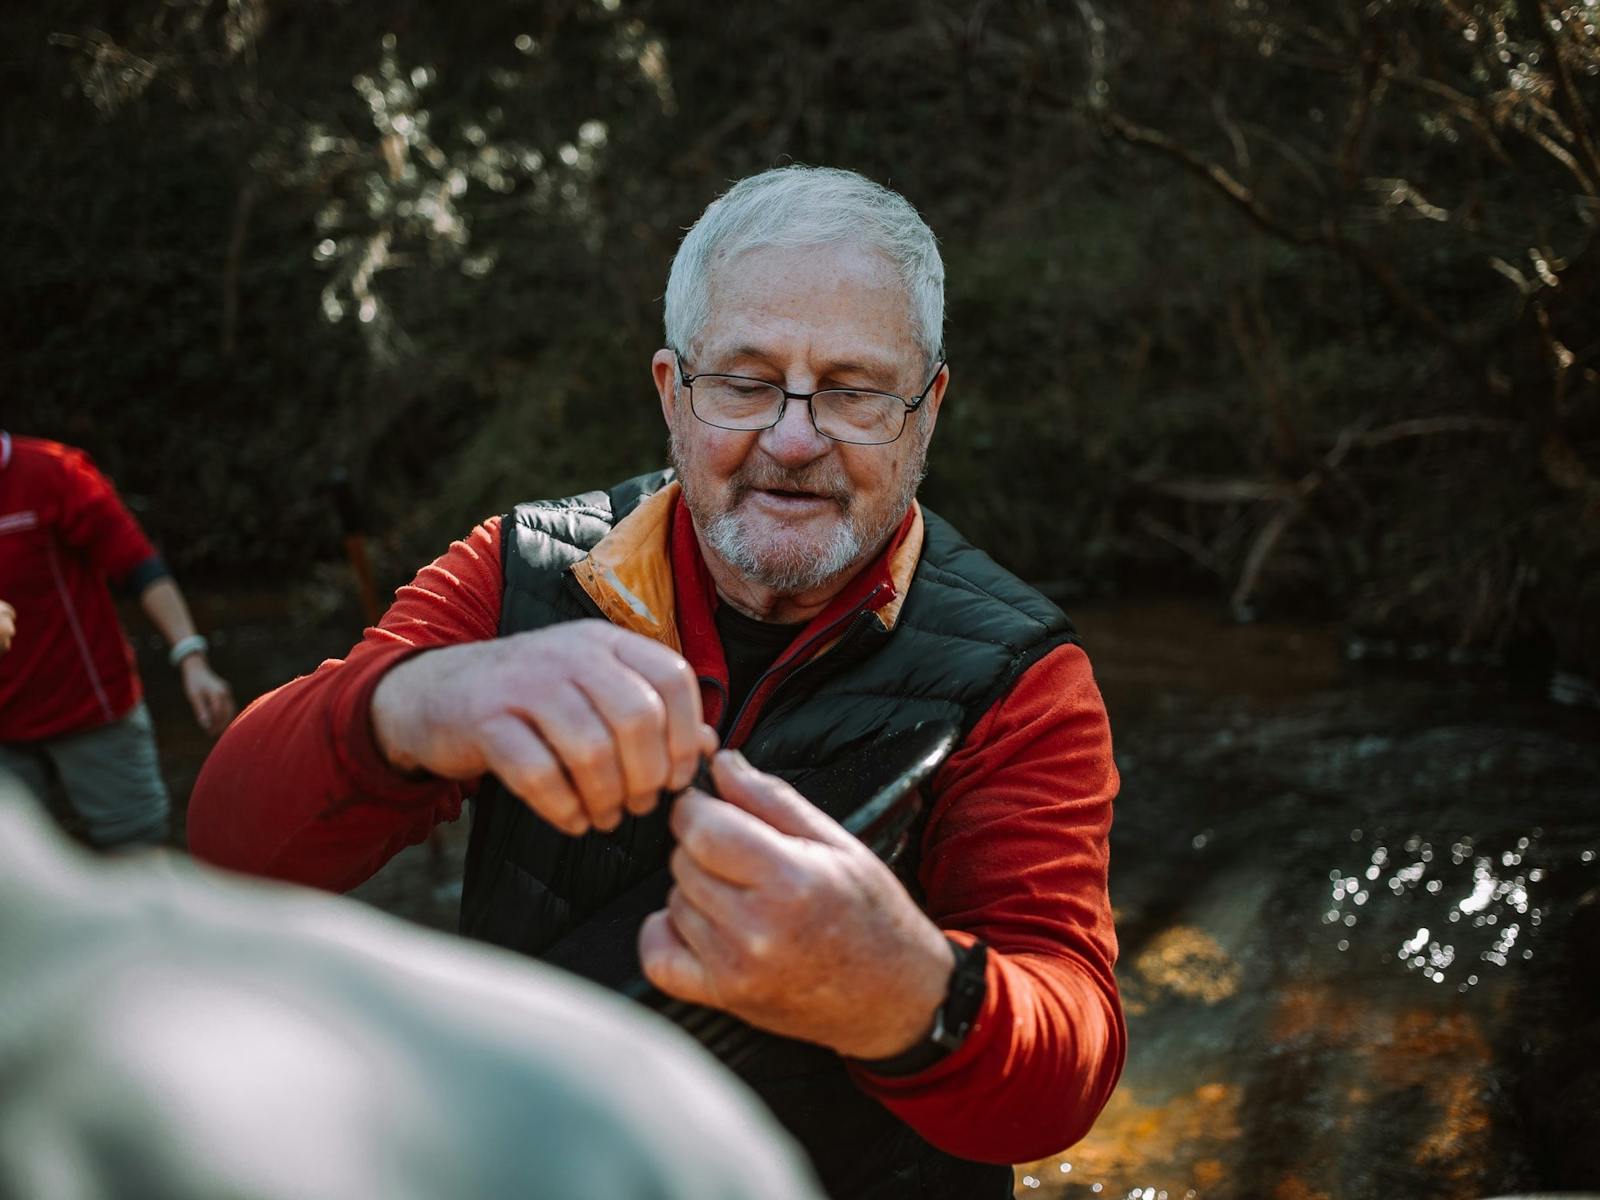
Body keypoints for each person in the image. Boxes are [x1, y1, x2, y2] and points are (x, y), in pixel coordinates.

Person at [189, 166, 1125, 1198]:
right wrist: (415, 702)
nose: (794, 439)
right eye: (743, 382)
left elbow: (1069, 1066)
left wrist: (905, 994)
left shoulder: (1023, 677)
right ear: (671, 393)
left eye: (854, 391)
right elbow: (230, 845)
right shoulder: (517, 571)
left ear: (926, 409)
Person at [0, 786, 822, 1200]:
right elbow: (240, 828)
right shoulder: (521, 564)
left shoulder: (611, 1122)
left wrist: (897, 1011)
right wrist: (385, 708)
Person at [0, 431, 235, 847]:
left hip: (90, 712)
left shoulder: (54, 472)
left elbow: (139, 565)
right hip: (5, 731)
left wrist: (191, 659)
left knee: (137, 848)